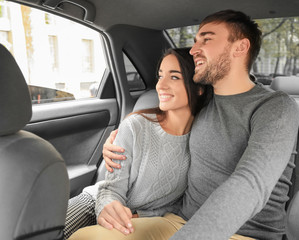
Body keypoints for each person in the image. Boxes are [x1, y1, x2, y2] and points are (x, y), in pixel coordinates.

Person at [97, 9, 299, 240]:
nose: (194, 50)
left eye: (206, 39)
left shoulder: (276, 107)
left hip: (245, 233)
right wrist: (119, 138)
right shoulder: (202, 100)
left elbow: (250, 183)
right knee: (89, 237)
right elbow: (163, 127)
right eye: (195, 41)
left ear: (240, 48)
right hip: (179, 221)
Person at [65, 48, 211, 239]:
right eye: (160, 76)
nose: (161, 86)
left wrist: (143, 216)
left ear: (199, 88)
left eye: (174, 77)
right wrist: (107, 207)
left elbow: (186, 203)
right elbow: (111, 188)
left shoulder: (206, 141)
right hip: (96, 203)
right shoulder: (135, 126)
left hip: (146, 221)